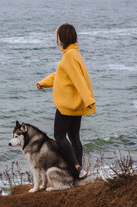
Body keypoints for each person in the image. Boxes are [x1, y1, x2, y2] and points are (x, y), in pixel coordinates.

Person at [36, 23, 96, 178]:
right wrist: (43, 82)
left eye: (57, 36)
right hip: (76, 104)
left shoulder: (69, 56)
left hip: (68, 105)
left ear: (62, 38)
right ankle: (79, 171)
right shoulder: (74, 53)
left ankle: (76, 168)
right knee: (74, 137)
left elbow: (78, 80)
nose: (56, 39)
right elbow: (60, 76)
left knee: (60, 136)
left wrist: (88, 98)